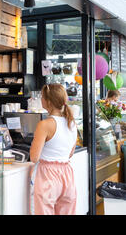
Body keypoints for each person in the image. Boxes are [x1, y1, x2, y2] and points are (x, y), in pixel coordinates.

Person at [29, 83, 77, 215]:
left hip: (47, 176)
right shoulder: (72, 122)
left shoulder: (45, 124)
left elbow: (34, 157)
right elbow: (70, 153)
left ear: (48, 101)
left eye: (42, 97)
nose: (41, 99)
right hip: (67, 174)